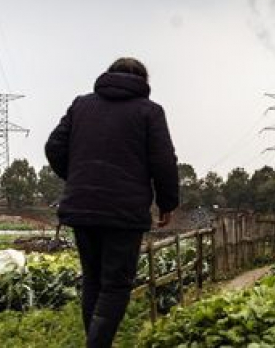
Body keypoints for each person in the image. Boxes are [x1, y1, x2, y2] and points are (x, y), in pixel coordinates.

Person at [45, 58, 179, 348]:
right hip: (124, 211)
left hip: (82, 207)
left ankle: (95, 342)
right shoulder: (150, 112)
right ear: (144, 81)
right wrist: (167, 203)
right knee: (116, 285)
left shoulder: (81, 105)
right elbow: (164, 161)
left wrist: (78, 178)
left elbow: (54, 147)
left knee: (93, 280)